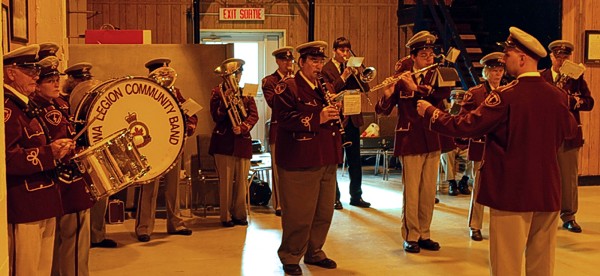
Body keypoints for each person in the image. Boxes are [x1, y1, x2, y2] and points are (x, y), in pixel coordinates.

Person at [416, 26, 577, 276]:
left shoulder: (506, 96)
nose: (503, 60)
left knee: (506, 264)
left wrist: (431, 112)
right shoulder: (557, 96)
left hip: (511, 191)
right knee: (542, 264)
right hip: (547, 191)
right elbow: (569, 131)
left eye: (508, 54)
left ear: (523, 58)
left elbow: (465, 126)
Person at [375, 30, 450, 253]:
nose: (430, 58)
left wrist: (416, 89)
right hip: (410, 138)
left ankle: (425, 233)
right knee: (412, 192)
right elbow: (382, 110)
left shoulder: (438, 74)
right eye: (424, 54)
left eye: (431, 53)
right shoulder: (401, 77)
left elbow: (441, 95)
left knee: (428, 191)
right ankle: (411, 235)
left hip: (433, 137)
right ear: (414, 57)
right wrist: (388, 93)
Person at [4, 44, 74, 275]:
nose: (35, 75)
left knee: (43, 268)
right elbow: (8, 158)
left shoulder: (25, 104)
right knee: (28, 268)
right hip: (25, 201)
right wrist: (48, 153)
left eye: (35, 71)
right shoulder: (9, 109)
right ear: (10, 72)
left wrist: (56, 150)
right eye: (29, 71)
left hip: (43, 198)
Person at [274, 41, 341, 276]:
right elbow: (284, 118)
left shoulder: (325, 85)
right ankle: (291, 255)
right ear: (301, 62)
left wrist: (335, 110)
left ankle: (315, 251)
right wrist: (318, 116)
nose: (318, 65)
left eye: (321, 61)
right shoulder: (288, 87)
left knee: (323, 212)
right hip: (299, 159)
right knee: (299, 214)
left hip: (326, 156)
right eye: (314, 61)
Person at [31, 45, 95, 276]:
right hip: (65, 179)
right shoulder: (42, 109)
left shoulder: (60, 104)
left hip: (64, 178)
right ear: (37, 84)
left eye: (58, 79)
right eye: (50, 81)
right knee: (73, 241)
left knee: (64, 241)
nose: (57, 84)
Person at [135, 58, 198, 242]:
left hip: (173, 146)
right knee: (149, 189)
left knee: (173, 188)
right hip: (152, 146)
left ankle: (175, 224)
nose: (165, 77)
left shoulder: (175, 92)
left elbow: (189, 112)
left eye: (167, 73)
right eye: (161, 73)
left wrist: (188, 128)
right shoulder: (144, 92)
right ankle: (144, 227)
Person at [541, 40, 594, 233]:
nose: (562, 60)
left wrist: (570, 101)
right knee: (543, 175)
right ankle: (544, 213)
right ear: (551, 57)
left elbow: (589, 102)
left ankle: (569, 215)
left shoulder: (576, 78)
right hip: (545, 135)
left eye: (566, 57)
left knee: (568, 177)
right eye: (559, 56)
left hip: (569, 135)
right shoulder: (542, 77)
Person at [64, 62, 118, 248]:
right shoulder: (64, 100)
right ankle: (89, 235)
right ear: (72, 82)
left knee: (101, 194)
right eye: (79, 80)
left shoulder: (95, 95)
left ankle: (97, 234)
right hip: (79, 149)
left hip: (95, 146)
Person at [321, 37, 371, 209]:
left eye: (348, 50)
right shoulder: (326, 69)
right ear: (335, 51)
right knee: (334, 159)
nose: (345, 54)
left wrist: (358, 75)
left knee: (355, 160)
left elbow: (367, 89)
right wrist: (344, 76)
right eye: (342, 51)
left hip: (353, 118)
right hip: (336, 120)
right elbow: (329, 90)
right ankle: (334, 198)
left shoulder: (354, 67)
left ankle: (356, 196)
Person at [461, 52, 506, 241]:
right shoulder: (475, 93)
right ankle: (475, 225)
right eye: (493, 70)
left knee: (501, 188)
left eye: (500, 70)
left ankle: (500, 224)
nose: (497, 74)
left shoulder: (508, 91)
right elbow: (464, 118)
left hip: (501, 147)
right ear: (485, 72)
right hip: (481, 146)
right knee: (479, 187)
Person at [209, 58, 259, 227]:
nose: (237, 77)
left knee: (242, 182)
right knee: (226, 182)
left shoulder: (247, 92)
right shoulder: (217, 92)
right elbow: (216, 116)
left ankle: (240, 214)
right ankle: (226, 216)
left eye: (238, 73)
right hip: (223, 142)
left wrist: (243, 127)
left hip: (242, 142)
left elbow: (254, 115)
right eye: (236, 74)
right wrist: (225, 103)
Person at [262, 46, 295, 217]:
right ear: (277, 61)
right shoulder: (270, 81)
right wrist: (285, 84)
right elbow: (273, 103)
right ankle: (280, 204)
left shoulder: (298, 79)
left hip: (297, 129)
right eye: (284, 60)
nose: (288, 63)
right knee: (278, 168)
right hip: (279, 128)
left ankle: (294, 202)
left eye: (290, 60)